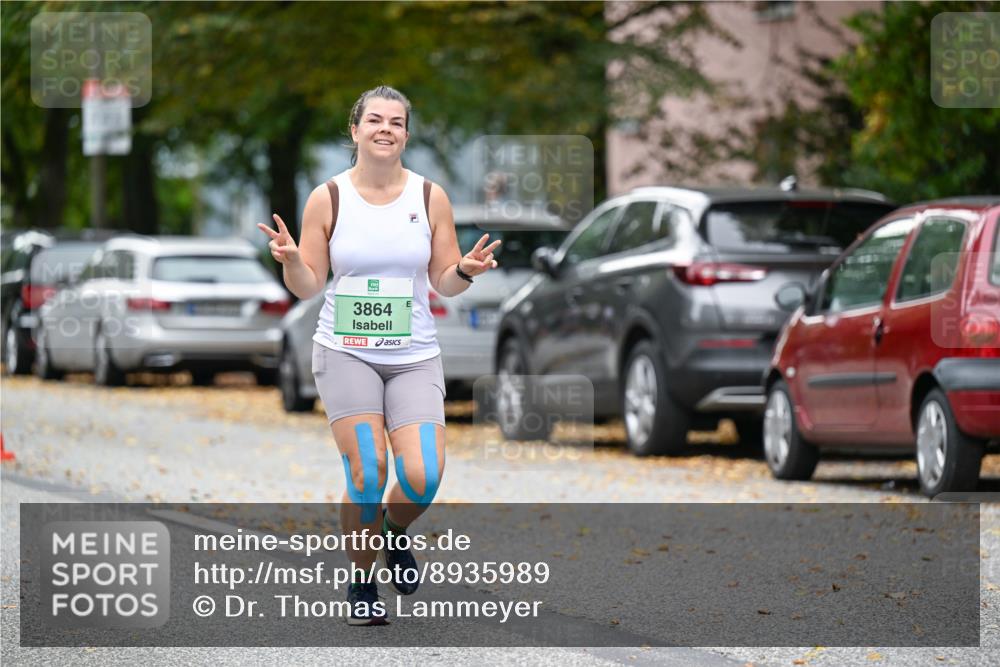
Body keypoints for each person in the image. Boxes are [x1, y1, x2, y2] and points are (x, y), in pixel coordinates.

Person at [258, 85, 500, 626]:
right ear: (356, 130)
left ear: (406, 135)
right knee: (368, 470)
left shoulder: (430, 196)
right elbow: (307, 284)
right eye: (375, 119)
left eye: (396, 121)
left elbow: (443, 279)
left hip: (413, 354)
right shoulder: (329, 197)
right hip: (346, 354)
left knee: (424, 473)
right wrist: (293, 259)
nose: (385, 128)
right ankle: (363, 581)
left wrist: (464, 271)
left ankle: (391, 532)